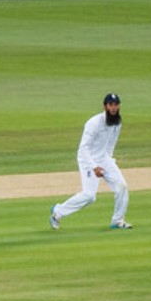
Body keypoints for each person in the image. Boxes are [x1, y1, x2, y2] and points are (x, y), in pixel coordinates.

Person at [50, 94, 132, 231]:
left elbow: (111, 144)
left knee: (122, 186)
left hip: (105, 159)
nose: (113, 107)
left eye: (116, 104)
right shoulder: (93, 123)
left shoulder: (117, 122)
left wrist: (109, 161)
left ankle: (118, 221)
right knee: (89, 196)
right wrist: (94, 166)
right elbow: (83, 149)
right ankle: (58, 212)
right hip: (88, 160)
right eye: (110, 104)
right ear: (105, 106)